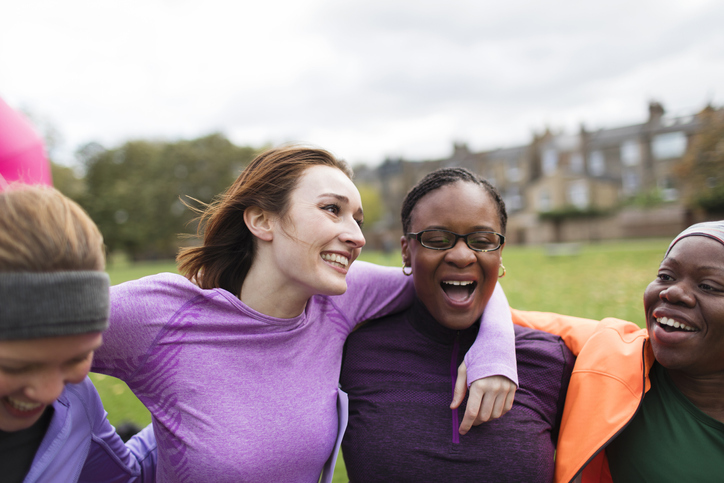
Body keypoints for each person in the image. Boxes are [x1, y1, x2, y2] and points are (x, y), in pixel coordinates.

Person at [91, 146, 518, 482]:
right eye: (332, 210)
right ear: (261, 220)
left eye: (358, 219)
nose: (355, 236)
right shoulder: (163, 315)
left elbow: (456, 275)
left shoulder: (341, 298)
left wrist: (496, 352)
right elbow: (32, 328)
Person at [340, 167, 575, 482]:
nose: (463, 256)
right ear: (406, 252)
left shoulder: (553, 362)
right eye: (437, 240)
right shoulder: (354, 354)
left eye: (482, 240)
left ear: (500, 252)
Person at [512, 220, 724, 482]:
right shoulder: (614, 352)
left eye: (709, 286)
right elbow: (500, 313)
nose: (673, 292)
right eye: (666, 276)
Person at [0, 185, 156, 483]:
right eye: (16, 366)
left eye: (76, 358)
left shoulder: (77, 402)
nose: (49, 394)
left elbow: (126, 477)